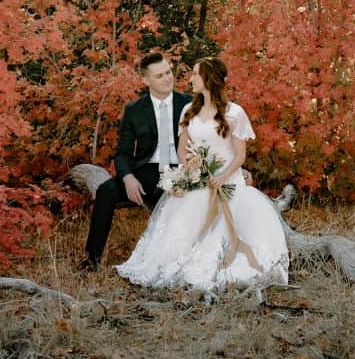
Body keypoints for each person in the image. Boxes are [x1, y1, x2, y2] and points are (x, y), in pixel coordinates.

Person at [115, 57, 289, 292]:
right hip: (198, 179)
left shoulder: (235, 113)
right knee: (180, 230)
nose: (191, 79)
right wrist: (190, 168)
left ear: (209, 79)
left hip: (227, 181)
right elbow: (182, 149)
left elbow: (239, 155)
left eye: (196, 74)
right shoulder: (189, 111)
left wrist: (223, 176)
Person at [81, 52, 192, 270]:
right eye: (159, 76)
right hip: (145, 172)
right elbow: (122, 153)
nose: (167, 78)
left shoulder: (189, 104)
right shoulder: (134, 110)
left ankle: (169, 262)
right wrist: (128, 177)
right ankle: (92, 260)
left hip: (180, 170)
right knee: (105, 191)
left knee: (171, 200)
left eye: (168, 72)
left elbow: (212, 138)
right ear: (145, 80)